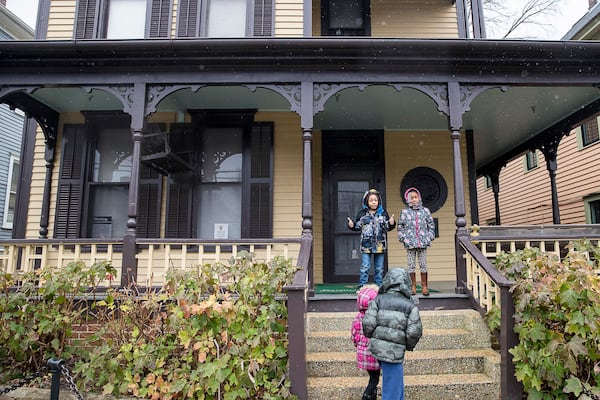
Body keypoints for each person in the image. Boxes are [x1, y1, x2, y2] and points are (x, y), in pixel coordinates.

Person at [362, 268, 423, 400]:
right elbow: (414, 332)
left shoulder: (378, 300)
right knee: (392, 386)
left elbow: (368, 324)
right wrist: (407, 345)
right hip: (395, 350)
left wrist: (373, 337)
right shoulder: (410, 305)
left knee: (394, 382)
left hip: (377, 347)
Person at [348, 189, 395, 288]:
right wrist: (351, 225)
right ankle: (362, 286)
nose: (373, 202)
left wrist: (391, 223)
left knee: (379, 268)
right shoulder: (362, 214)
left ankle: (379, 286)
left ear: (379, 201)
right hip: (366, 245)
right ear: (367, 202)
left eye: (375, 200)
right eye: (371, 200)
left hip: (379, 245)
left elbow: (387, 228)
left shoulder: (383, 213)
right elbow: (357, 227)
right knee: (365, 267)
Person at [397, 187, 435, 296]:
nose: (414, 199)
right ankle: (412, 286)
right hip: (410, 243)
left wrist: (430, 236)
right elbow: (400, 226)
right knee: (411, 265)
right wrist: (403, 238)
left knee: (423, 264)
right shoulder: (405, 212)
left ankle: (424, 286)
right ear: (408, 200)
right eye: (411, 198)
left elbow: (431, 224)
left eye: (415, 197)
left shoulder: (425, 211)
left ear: (419, 198)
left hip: (422, 242)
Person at [351, 285, 381, 400]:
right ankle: (366, 396)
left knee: (372, 377)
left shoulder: (358, 317)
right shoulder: (377, 317)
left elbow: (354, 335)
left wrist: (358, 345)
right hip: (374, 353)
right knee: (374, 380)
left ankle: (372, 396)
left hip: (362, 353)